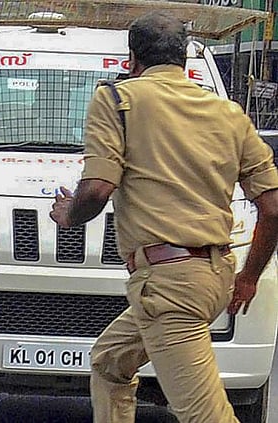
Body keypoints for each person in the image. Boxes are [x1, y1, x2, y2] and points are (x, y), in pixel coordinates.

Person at [49, 12, 278, 423]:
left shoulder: (118, 101)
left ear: (133, 60)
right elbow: (274, 207)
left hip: (167, 286)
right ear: (186, 61)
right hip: (214, 276)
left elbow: (98, 189)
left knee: (205, 416)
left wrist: (69, 215)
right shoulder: (229, 114)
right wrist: (248, 277)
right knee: (109, 362)